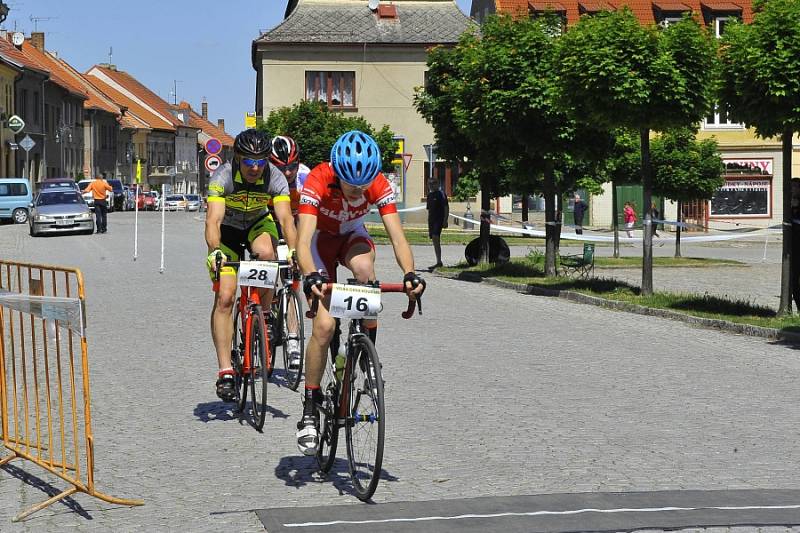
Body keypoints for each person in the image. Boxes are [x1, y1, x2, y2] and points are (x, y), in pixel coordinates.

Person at [295, 130, 425, 455]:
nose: (358, 192)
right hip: (319, 243)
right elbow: (303, 239)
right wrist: (310, 275)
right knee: (324, 327)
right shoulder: (318, 179)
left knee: (366, 271)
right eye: (352, 186)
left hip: (351, 235)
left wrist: (410, 274)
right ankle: (310, 405)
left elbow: (397, 237)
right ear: (337, 174)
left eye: (363, 185)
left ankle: (367, 357)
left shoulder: (378, 183)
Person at [205, 129, 298, 402]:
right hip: (228, 232)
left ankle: (266, 315)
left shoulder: (275, 176)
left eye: (260, 161)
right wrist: (214, 251)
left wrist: (292, 251)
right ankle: (225, 371)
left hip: (258, 225)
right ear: (237, 158)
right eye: (248, 161)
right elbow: (213, 221)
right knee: (225, 297)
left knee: (268, 253)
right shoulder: (222, 176)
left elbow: (285, 219)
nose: (255, 167)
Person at [267, 135, 311, 370]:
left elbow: (309, 216)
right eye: (281, 168)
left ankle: (293, 338)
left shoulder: (305, 177)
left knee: (292, 280)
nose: (287, 173)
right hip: (269, 224)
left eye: (292, 166)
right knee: (267, 264)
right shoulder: (264, 177)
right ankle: (265, 312)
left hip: (295, 224)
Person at [426, 176, 449, 269]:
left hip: (438, 220)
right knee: (435, 240)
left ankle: (439, 261)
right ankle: (438, 261)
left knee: (436, 237)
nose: (431, 185)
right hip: (431, 220)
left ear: (437, 184)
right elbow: (429, 210)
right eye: (429, 184)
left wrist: (445, 220)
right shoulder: (429, 196)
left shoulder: (441, 194)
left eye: (433, 183)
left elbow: (446, 207)